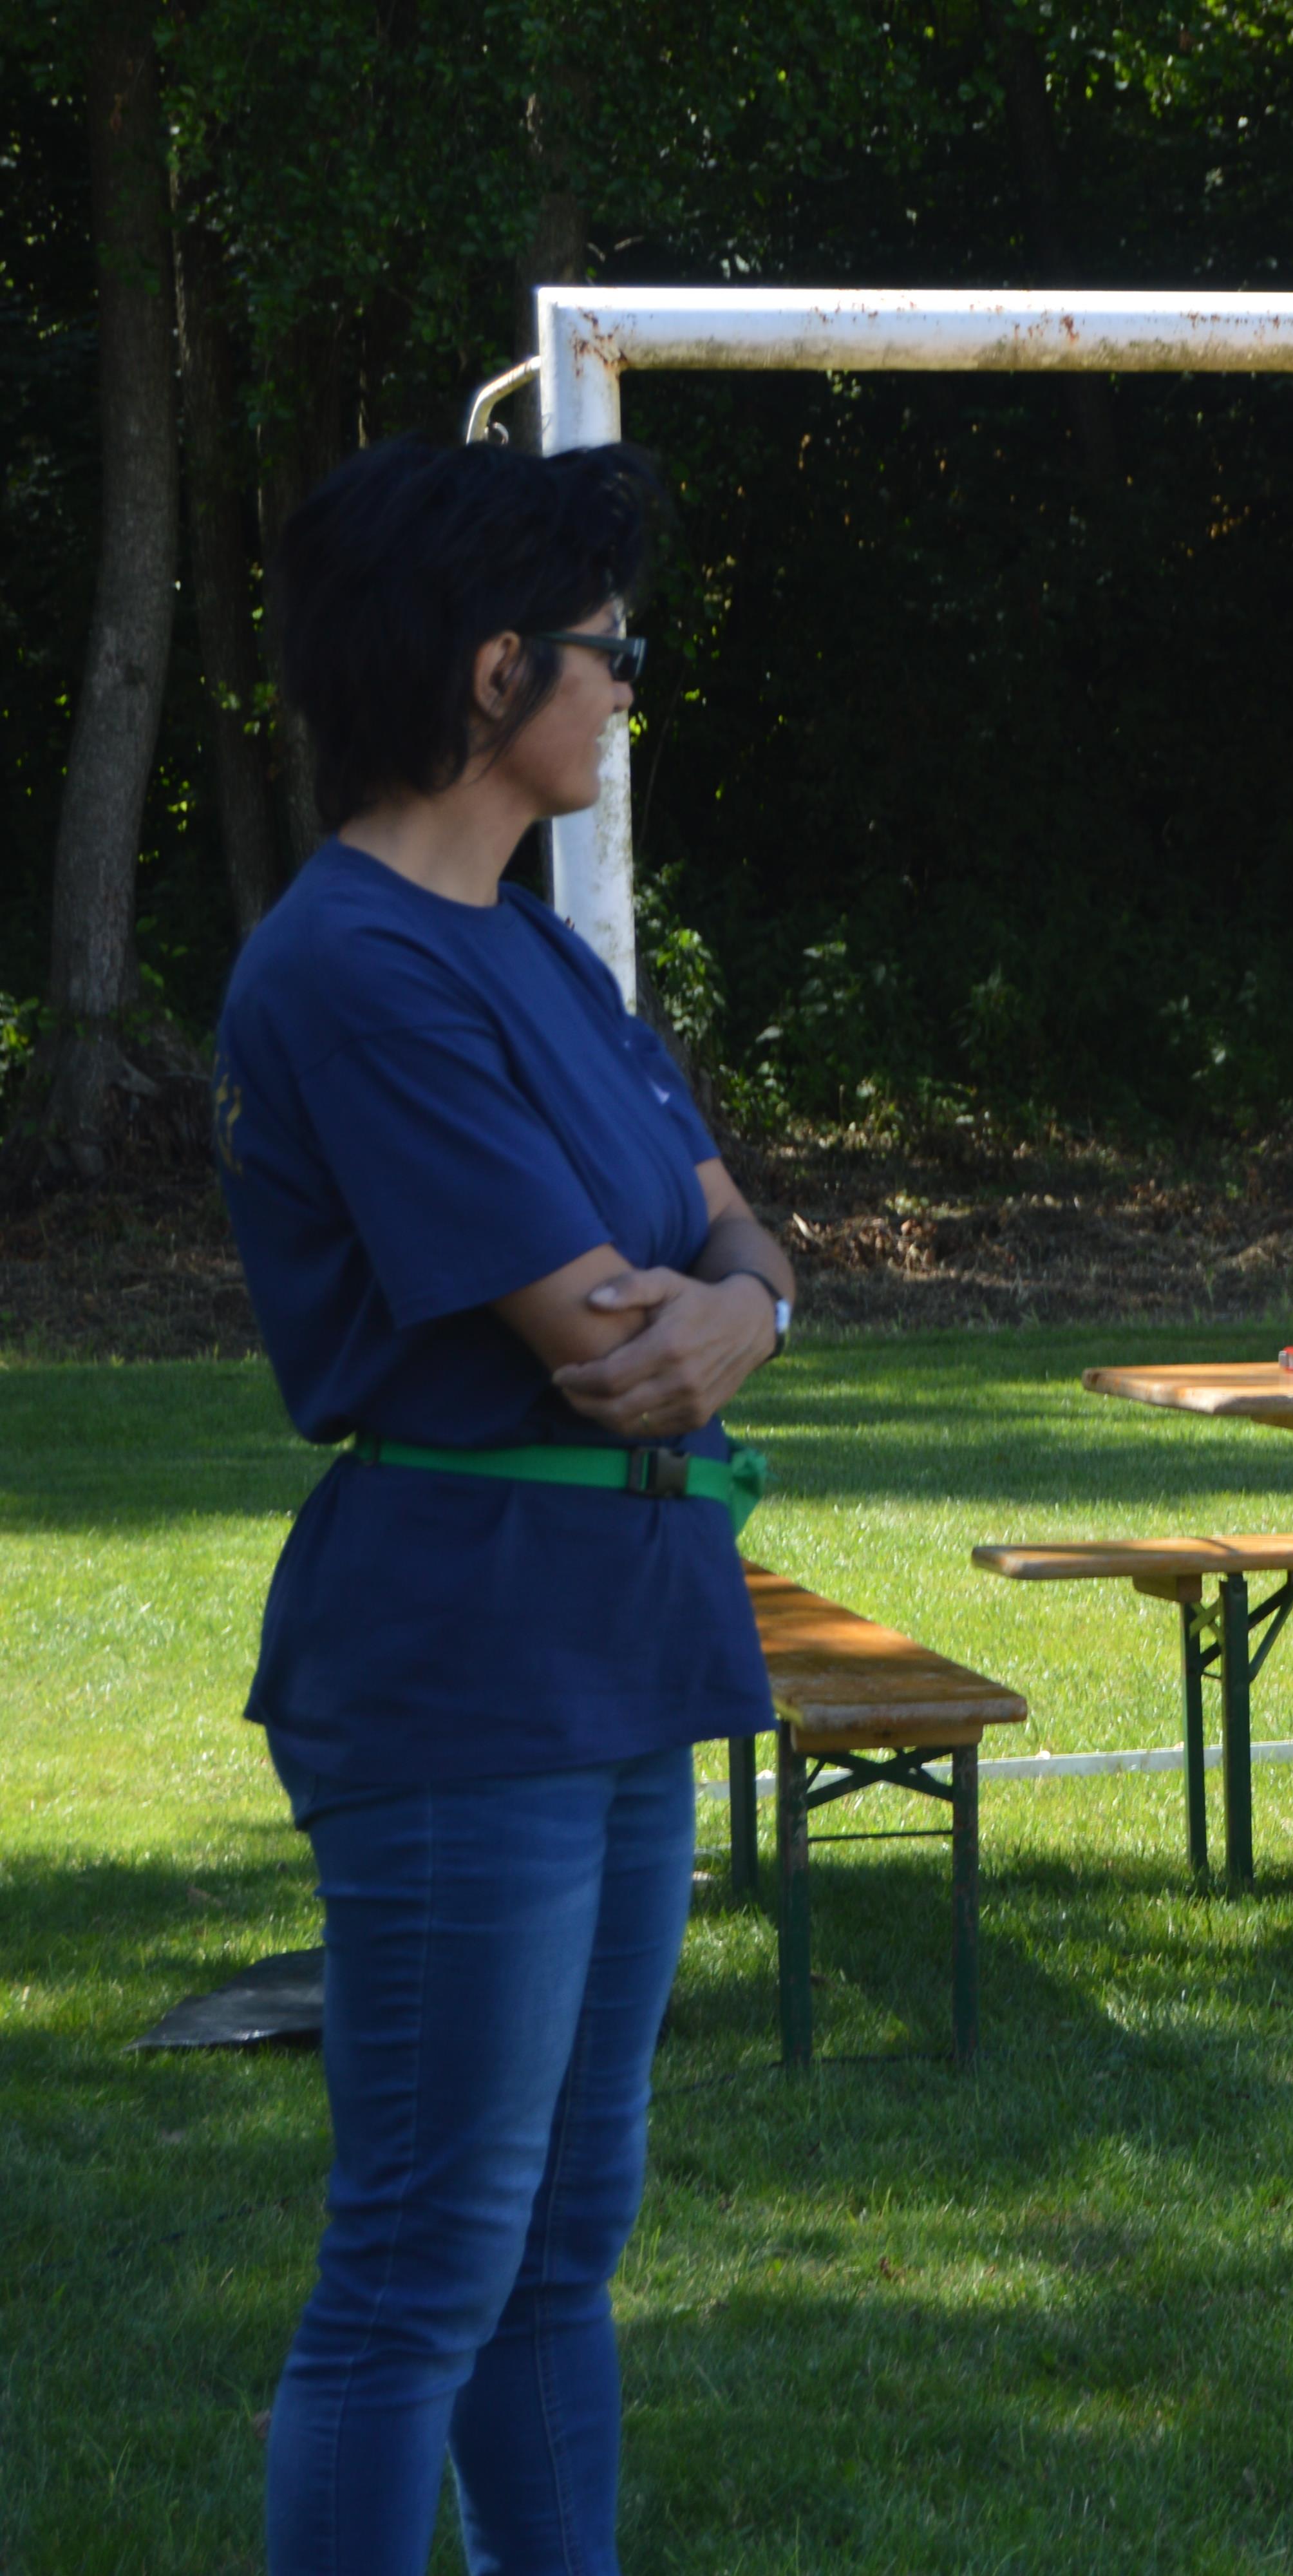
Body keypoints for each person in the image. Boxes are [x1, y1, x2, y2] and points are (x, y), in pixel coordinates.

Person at [214, 434, 791, 2571]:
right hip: (468, 1655)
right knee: (424, 2266)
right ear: (493, 672)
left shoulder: (543, 958)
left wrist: (751, 1311)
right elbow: (597, 1327)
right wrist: (720, 1309)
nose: (627, 690)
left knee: (562, 2247)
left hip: (620, 1632)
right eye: (609, 652)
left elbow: (734, 1245)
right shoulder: (354, 966)